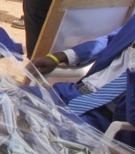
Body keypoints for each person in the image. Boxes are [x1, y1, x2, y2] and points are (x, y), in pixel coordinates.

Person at [31, 15, 135, 146]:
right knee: (7, 103)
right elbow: (112, 40)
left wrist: (133, 67)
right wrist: (61, 57)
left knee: (39, 138)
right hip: (73, 92)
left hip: (105, 119)